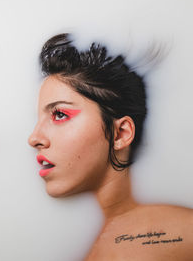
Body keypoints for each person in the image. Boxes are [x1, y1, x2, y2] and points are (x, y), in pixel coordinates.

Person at [28, 33, 193, 260]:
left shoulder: (176, 233)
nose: (34, 138)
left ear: (121, 133)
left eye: (59, 114)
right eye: (39, 119)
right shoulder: (96, 235)